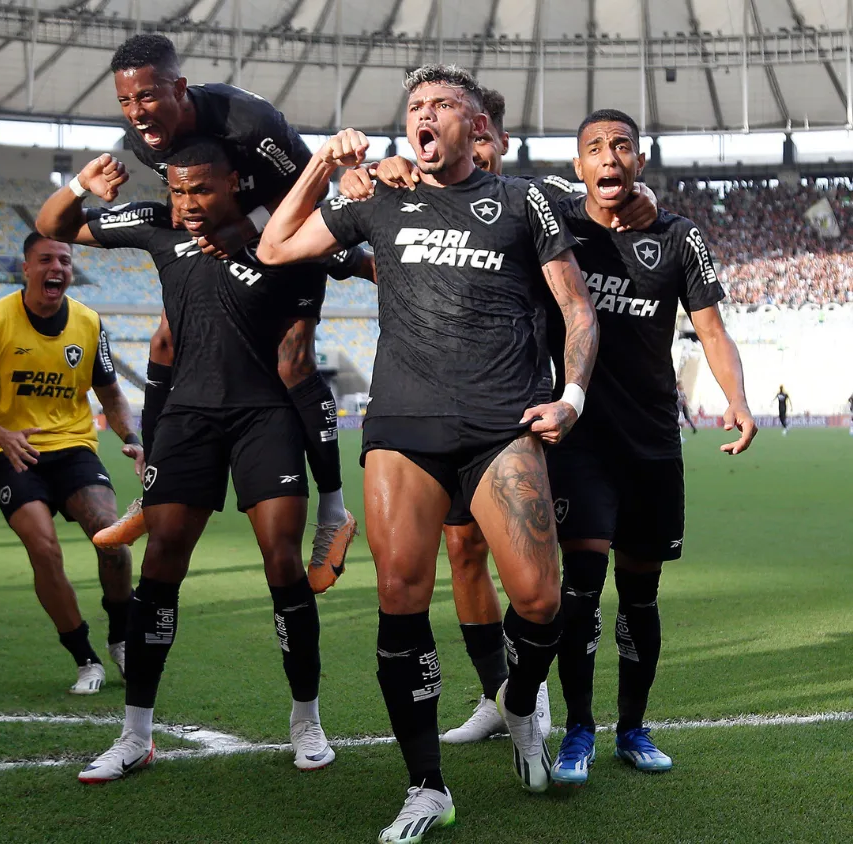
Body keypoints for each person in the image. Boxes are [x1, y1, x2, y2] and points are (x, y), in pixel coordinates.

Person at [258, 64, 599, 835]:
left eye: (444, 104)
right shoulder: (381, 198)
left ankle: (517, 702)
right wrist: (322, 163)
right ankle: (426, 786)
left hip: (501, 426)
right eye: (416, 106)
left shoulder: (523, 201)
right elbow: (276, 247)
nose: (427, 114)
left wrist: (570, 396)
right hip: (403, 429)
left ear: (477, 128)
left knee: (543, 600)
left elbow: (578, 308)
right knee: (401, 596)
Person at [36, 141, 370, 782]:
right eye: (179, 191)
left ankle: (307, 721)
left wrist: (331, 493)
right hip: (188, 418)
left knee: (282, 564)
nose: (188, 205)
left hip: (264, 417)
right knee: (160, 566)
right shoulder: (159, 224)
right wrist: (81, 181)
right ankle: (135, 734)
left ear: (237, 184)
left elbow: (317, 337)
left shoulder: (286, 238)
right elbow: (53, 225)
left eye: (203, 191)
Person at [336, 85, 661, 744]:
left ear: (498, 142)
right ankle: (496, 695)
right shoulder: (412, 192)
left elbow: (614, 200)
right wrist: (360, 180)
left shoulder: (537, 197)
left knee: (541, 579)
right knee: (461, 552)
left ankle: (531, 693)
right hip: (443, 401)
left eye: (481, 145)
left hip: (526, 405)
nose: (469, 157)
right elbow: (382, 257)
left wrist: (642, 199)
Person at [97, 33, 357, 592]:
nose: (137, 113)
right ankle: (152, 491)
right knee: (168, 339)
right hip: (224, 235)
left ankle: (334, 511)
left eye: (146, 97)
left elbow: (313, 181)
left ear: (178, 89)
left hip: (283, 232)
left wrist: (249, 225)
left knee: (294, 364)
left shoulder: (250, 122)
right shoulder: (146, 141)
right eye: (125, 101)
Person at [542, 109, 755, 785]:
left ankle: (632, 728)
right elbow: (503, 184)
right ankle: (578, 729)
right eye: (595, 149)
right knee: (580, 591)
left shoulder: (678, 236)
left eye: (622, 147)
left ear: (640, 160)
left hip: (653, 443)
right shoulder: (557, 226)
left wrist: (738, 400)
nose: (610, 157)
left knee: (640, 596)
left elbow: (712, 330)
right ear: (579, 167)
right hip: (581, 439)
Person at [0, 231, 141, 694]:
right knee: (44, 549)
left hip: (73, 445)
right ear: (27, 268)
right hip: (8, 450)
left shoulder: (89, 322)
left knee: (112, 539)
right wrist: (1, 435)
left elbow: (111, 394)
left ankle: (121, 638)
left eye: (65, 261)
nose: (57, 268)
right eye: (46, 260)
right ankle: (85, 658)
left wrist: (132, 438)